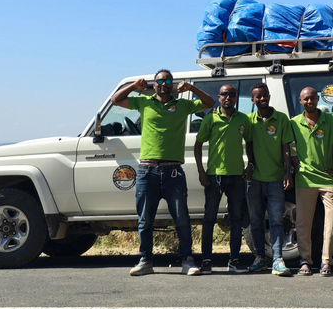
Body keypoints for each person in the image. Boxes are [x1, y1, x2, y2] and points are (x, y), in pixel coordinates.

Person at [111, 69, 215, 276]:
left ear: (173, 84)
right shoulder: (144, 102)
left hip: (173, 172)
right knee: (144, 220)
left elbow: (210, 103)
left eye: (168, 81)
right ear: (154, 85)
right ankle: (145, 260)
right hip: (147, 171)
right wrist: (134, 86)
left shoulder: (182, 105)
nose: (163, 84)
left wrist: (191, 88)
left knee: (182, 219)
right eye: (159, 81)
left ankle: (187, 260)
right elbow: (116, 100)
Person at [194, 84, 253, 274]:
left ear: (236, 98)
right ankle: (206, 261)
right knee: (209, 219)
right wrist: (202, 172)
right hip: (214, 176)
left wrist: (250, 164)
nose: (228, 97)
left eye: (232, 95)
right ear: (219, 97)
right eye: (224, 94)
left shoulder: (243, 119)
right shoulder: (211, 118)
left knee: (236, 219)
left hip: (237, 176)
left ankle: (234, 261)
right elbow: (198, 145)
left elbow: (250, 143)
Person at [290, 87, 333, 277]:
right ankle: (305, 261)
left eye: (312, 98)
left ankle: (326, 262)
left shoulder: (330, 121)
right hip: (304, 179)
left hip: (327, 179)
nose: (309, 102)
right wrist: (291, 161)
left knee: (331, 224)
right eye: (306, 99)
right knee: (303, 223)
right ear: (300, 100)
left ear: (317, 99)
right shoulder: (294, 123)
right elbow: (283, 145)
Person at [245, 82, 295, 276]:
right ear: (253, 100)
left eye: (264, 95)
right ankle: (259, 258)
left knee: (276, 221)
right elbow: (248, 144)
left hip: (276, 179)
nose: (262, 99)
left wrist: (288, 171)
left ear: (269, 96)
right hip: (255, 179)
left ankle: (277, 259)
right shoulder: (249, 120)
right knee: (256, 221)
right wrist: (250, 164)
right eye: (258, 96)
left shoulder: (281, 119)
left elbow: (286, 148)